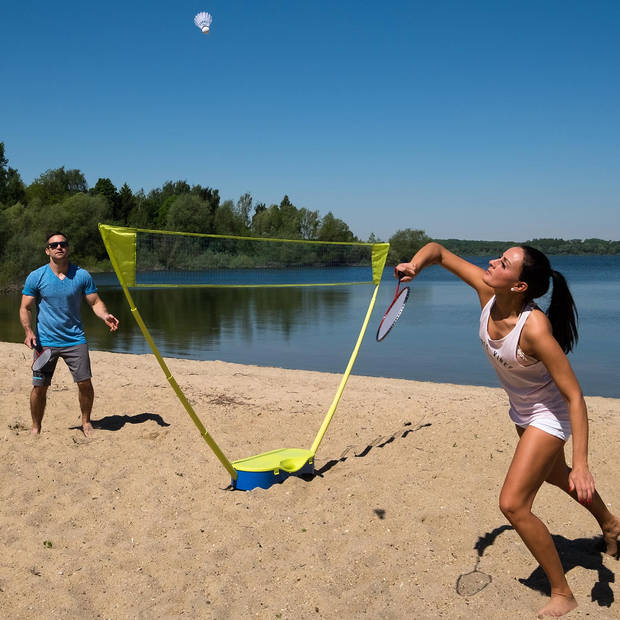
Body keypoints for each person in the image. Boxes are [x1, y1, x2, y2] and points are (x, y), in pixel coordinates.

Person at [395, 242, 620, 618]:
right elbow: (437, 251)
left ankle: (563, 593)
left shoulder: (534, 329)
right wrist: (415, 265)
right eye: (498, 257)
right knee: (557, 477)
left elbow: (575, 396)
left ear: (518, 287)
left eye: (503, 263)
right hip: (522, 411)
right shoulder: (488, 293)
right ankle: (611, 524)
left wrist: (582, 462)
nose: (491, 263)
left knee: (514, 504)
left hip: (549, 416)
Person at [19, 231, 119, 438]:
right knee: (40, 387)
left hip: (75, 340)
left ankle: (86, 422)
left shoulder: (81, 275)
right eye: (54, 245)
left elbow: (94, 302)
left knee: (85, 383)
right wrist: (28, 332)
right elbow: (25, 307)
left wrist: (105, 315)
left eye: (63, 244)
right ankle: (36, 427)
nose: (59, 247)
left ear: (68, 248)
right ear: (47, 250)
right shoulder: (36, 276)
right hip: (45, 342)